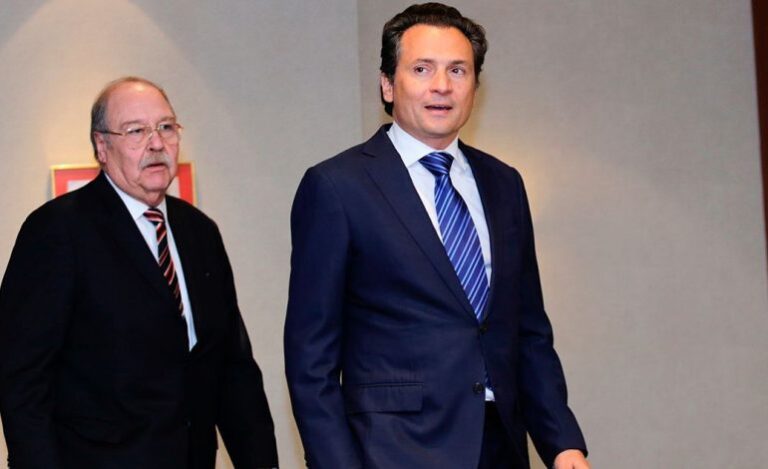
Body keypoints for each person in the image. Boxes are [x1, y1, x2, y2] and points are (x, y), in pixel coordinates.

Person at [284, 3, 589, 468]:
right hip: (390, 451)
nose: (442, 85)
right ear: (388, 84)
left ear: (475, 87)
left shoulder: (504, 183)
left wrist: (563, 443)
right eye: (422, 69)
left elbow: (527, 331)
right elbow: (311, 359)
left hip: (501, 447)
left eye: (458, 70)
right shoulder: (337, 187)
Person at [0, 77, 278, 469]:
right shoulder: (58, 229)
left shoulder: (200, 232)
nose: (156, 143)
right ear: (102, 146)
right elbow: (22, 379)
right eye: (136, 131)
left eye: (166, 127)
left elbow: (232, 368)